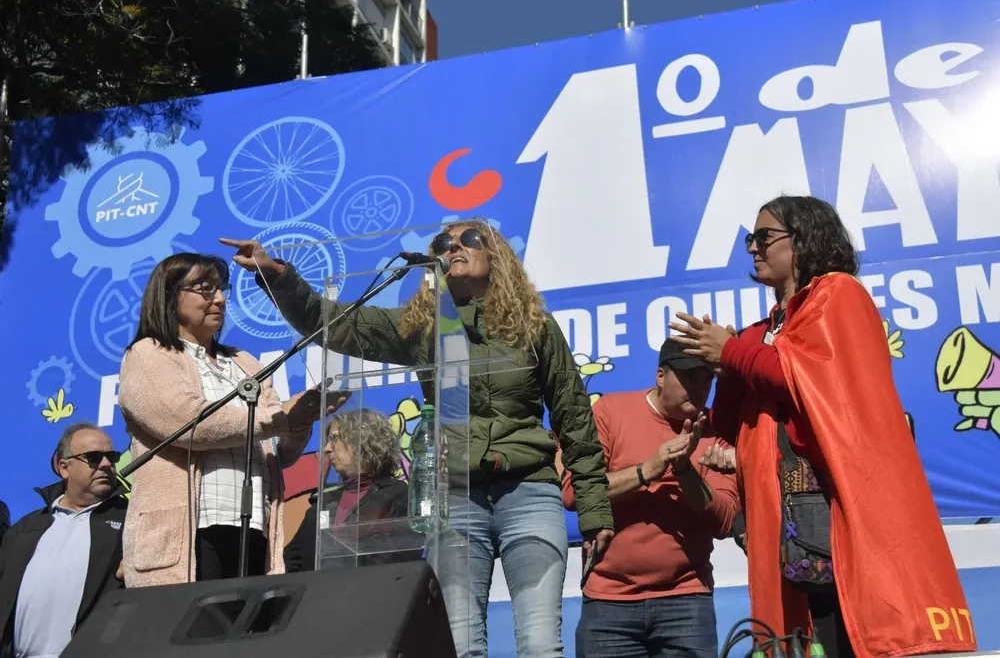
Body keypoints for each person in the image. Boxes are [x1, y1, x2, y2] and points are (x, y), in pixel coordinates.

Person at [222, 222, 614, 658]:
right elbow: (329, 321)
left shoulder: (533, 324)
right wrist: (276, 273)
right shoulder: (422, 328)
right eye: (444, 244)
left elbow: (574, 414)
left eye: (469, 239)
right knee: (462, 646)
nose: (455, 247)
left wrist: (595, 513)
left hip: (528, 491)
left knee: (540, 644)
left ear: (496, 255)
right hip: (456, 499)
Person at [669, 196, 975, 658]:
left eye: (764, 237)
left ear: (804, 239)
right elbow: (733, 422)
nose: (753, 248)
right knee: (800, 641)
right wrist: (723, 365)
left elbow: (812, 380)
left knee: (847, 633)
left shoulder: (838, 294)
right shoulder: (759, 333)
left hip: (838, 514)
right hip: (786, 527)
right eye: (750, 239)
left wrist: (732, 353)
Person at [116, 252, 339, 587]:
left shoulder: (245, 362)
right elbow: (189, 423)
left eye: (221, 289)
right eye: (206, 289)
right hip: (191, 532)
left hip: (253, 525)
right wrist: (280, 419)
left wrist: (300, 420)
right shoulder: (148, 353)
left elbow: (282, 454)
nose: (219, 299)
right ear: (170, 295)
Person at [562, 339, 739, 658]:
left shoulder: (714, 429)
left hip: (687, 601)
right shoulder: (610, 411)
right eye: (689, 377)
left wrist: (685, 471)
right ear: (661, 376)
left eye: (706, 380)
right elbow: (575, 492)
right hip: (608, 602)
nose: (699, 388)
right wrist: (649, 470)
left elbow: (725, 520)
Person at [0, 423, 128, 658]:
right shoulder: (25, 529)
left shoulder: (132, 521)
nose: (106, 464)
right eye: (93, 457)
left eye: (112, 457)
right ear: (64, 467)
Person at [284, 408, 422, 571]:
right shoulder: (322, 503)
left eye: (334, 438)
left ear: (362, 440)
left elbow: (401, 555)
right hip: (318, 593)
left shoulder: (399, 495)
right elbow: (292, 557)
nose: (327, 448)